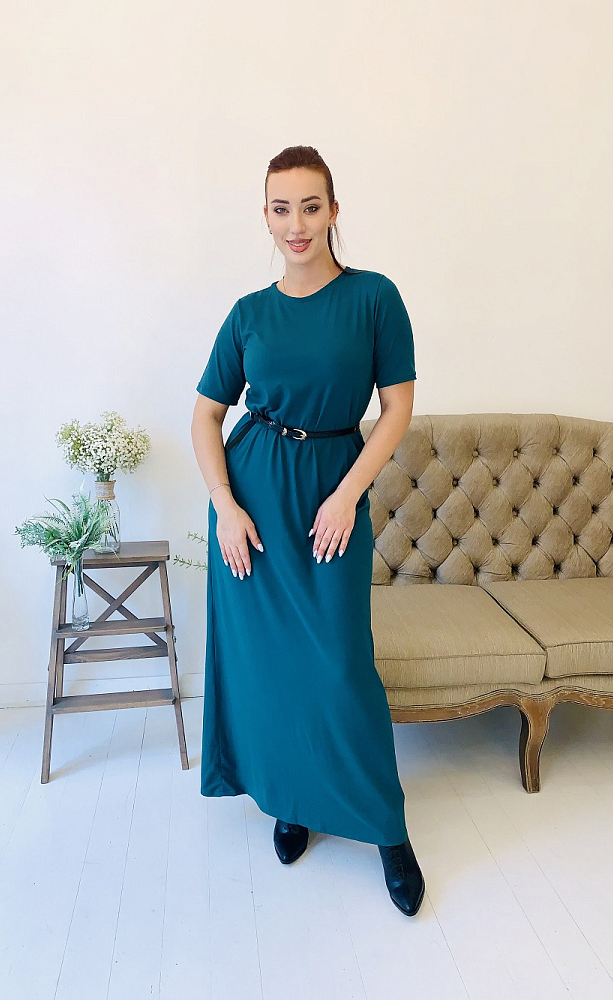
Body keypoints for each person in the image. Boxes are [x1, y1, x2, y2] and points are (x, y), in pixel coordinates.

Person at [191, 144, 425, 916]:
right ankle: (292, 802)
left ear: (333, 211)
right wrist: (225, 504)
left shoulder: (374, 298)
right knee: (272, 668)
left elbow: (396, 408)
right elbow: (205, 416)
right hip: (252, 502)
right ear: (265, 216)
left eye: (311, 206)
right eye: (281, 208)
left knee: (341, 665)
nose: (296, 223)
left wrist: (348, 494)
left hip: (331, 494)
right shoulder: (248, 314)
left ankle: (387, 830)